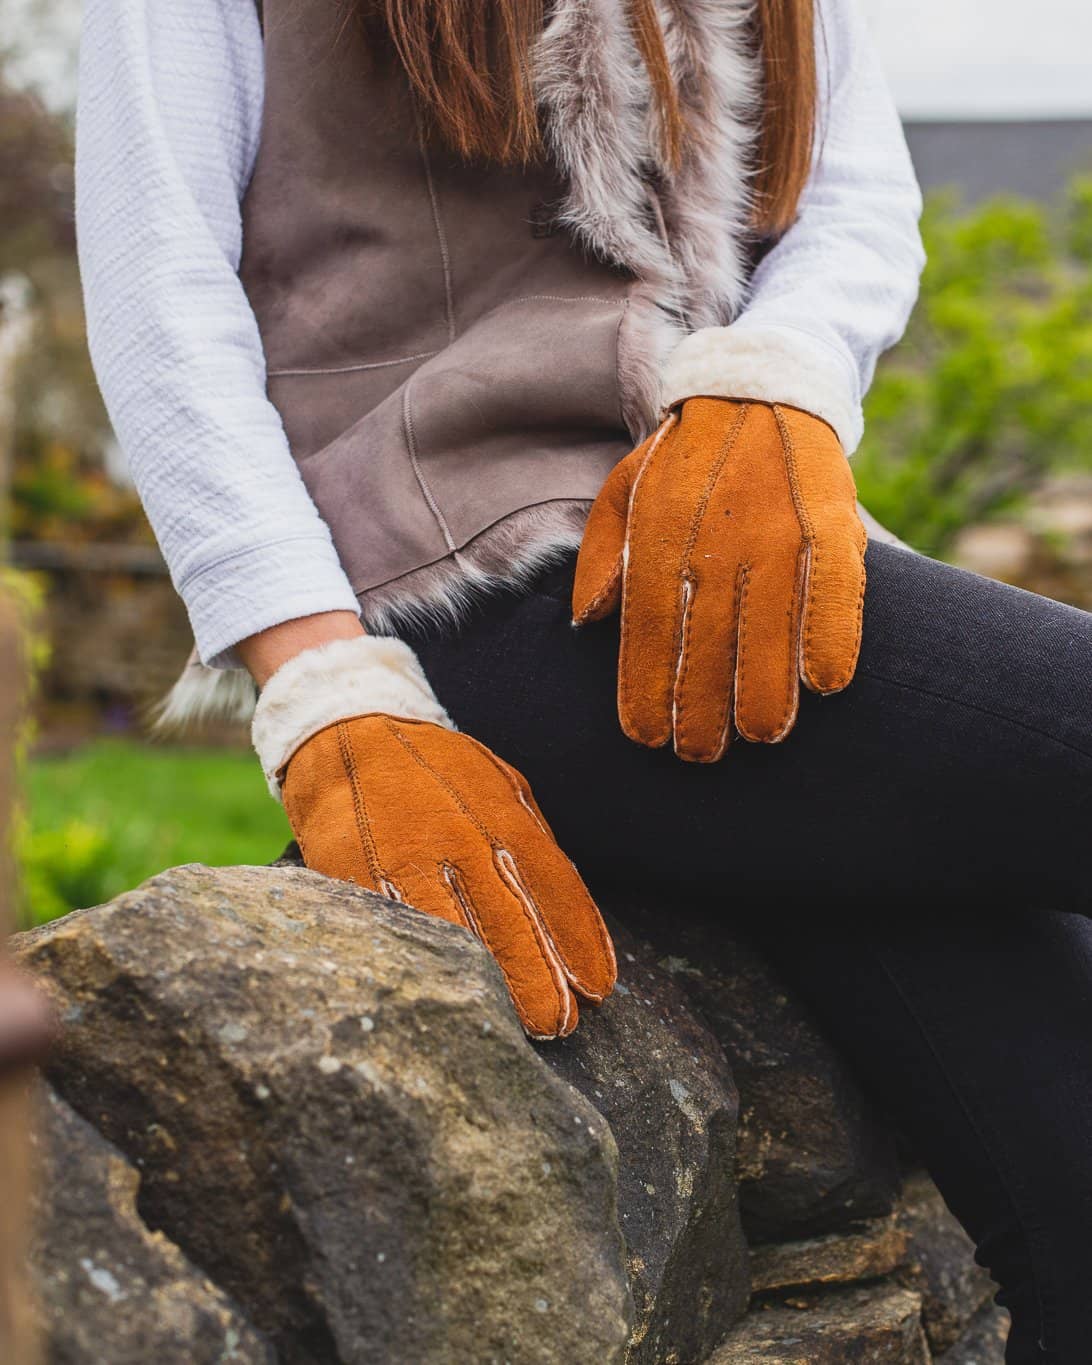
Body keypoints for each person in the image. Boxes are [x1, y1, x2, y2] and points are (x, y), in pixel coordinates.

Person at [76, 0, 1091, 1358]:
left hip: (725, 568)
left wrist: (771, 388)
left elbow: (858, 196)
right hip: (469, 581)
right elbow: (160, 282)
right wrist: (323, 683)